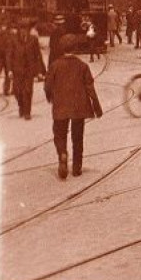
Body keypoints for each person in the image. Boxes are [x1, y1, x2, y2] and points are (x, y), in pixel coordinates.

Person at [44, 33, 103, 179]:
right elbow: (90, 87)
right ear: (76, 48)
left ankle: (62, 154)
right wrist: (97, 107)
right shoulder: (82, 66)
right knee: (78, 137)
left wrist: (50, 97)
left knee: (59, 134)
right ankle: (77, 167)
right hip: (79, 107)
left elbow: (47, 86)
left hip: (61, 106)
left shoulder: (55, 65)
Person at [9, 20, 46, 118]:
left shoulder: (33, 39)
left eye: (25, 29)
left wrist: (40, 71)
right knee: (17, 91)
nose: (23, 31)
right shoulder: (13, 40)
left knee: (28, 91)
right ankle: (21, 105)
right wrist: (9, 70)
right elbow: (9, 56)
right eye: (21, 29)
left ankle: (27, 112)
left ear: (28, 30)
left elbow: (37, 55)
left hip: (29, 70)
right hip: (17, 70)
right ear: (19, 30)